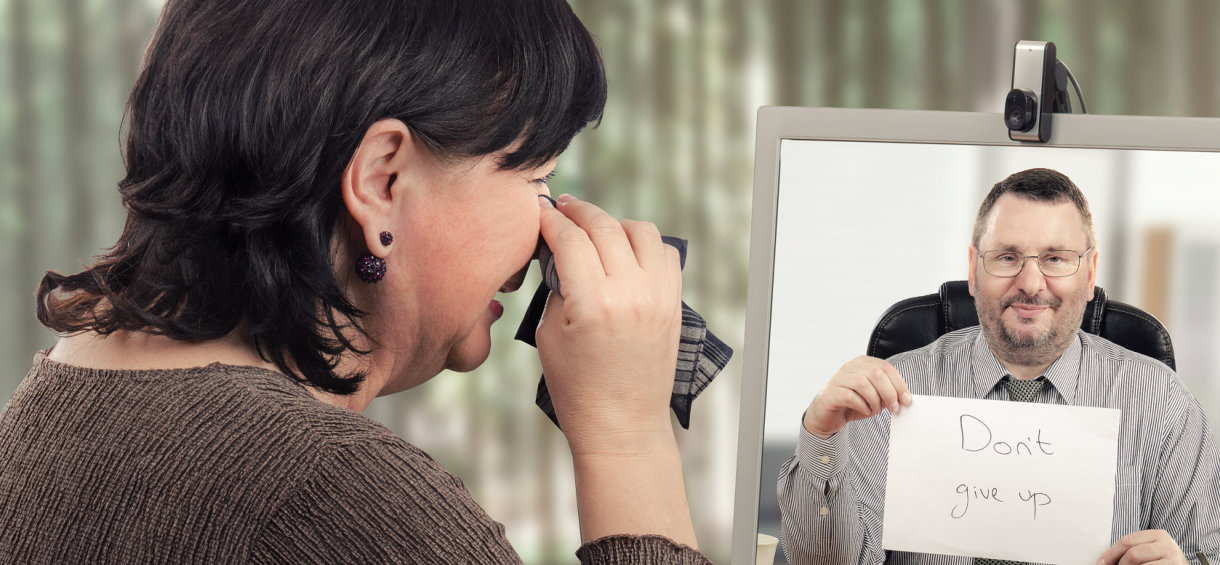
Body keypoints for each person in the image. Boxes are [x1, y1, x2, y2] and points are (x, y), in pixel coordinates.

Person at [0, 1, 709, 563]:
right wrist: (626, 437)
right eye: (535, 176)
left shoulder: (50, 401)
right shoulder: (337, 498)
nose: (549, 224)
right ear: (381, 180)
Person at [776, 168, 1220, 565]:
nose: (1030, 282)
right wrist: (821, 433)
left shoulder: (1161, 403)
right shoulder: (894, 394)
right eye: (1006, 257)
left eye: (1056, 258)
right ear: (973, 269)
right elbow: (824, 562)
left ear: (1089, 274)